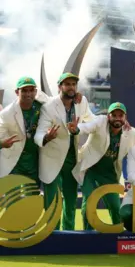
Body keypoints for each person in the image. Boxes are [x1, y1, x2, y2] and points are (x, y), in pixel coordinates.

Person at [34, 72, 96, 230]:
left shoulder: (81, 103)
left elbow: (93, 120)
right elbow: (39, 133)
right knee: (52, 200)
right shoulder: (49, 106)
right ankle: (52, 234)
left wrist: (110, 119)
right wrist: (46, 137)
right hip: (52, 157)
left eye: (74, 84)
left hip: (72, 158)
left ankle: (68, 234)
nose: (71, 87)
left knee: (70, 199)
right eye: (67, 84)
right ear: (59, 87)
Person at [71, 102, 135, 230]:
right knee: (88, 205)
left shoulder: (131, 133)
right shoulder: (100, 122)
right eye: (114, 115)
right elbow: (87, 127)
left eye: (121, 115)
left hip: (110, 174)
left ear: (125, 117)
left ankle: (118, 235)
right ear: (108, 116)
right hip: (91, 171)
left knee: (115, 207)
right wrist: (77, 129)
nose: (117, 118)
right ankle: (88, 236)